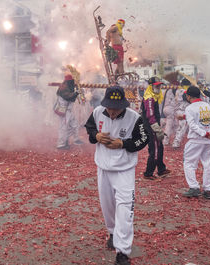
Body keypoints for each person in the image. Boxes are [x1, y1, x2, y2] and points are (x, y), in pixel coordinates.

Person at [84, 85, 149, 265]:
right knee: (107, 206)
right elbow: (89, 128)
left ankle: (123, 252)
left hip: (124, 169)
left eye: (116, 108)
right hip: (103, 167)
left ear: (123, 105)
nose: (112, 112)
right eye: (109, 108)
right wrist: (96, 136)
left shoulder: (134, 117)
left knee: (125, 208)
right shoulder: (97, 112)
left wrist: (123, 143)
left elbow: (144, 139)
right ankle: (112, 233)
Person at [177, 86, 210, 199]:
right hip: (208, 140)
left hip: (196, 140)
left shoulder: (189, 108)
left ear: (188, 96)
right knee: (207, 165)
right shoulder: (207, 106)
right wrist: (207, 134)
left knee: (189, 163)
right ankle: (207, 189)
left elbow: (193, 125)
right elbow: (203, 119)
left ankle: (194, 188)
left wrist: (204, 133)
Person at [141, 77, 171, 179]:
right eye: (156, 85)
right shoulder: (149, 97)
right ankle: (148, 173)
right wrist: (157, 129)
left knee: (159, 147)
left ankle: (161, 169)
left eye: (159, 85)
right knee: (155, 149)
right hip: (151, 126)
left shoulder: (155, 96)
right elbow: (150, 115)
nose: (159, 87)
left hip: (154, 125)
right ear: (151, 86)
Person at [55, 73, 84, 149]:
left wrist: (76, 92)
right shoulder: (63, 88)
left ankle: (74, 139)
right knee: (63, 127)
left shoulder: (67, 87)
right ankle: (61, 144)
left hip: (69, 111)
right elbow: (69, 97)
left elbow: (72, 98)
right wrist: (77, 92)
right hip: (64, 111)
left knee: (74, 125)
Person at [172, 78, 191, 149]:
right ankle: (176, 143)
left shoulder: (178, 90)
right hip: (183, 111)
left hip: (179, 110)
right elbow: (187, 99)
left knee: (186, 127)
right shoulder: (184, 91)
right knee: (182, 128)